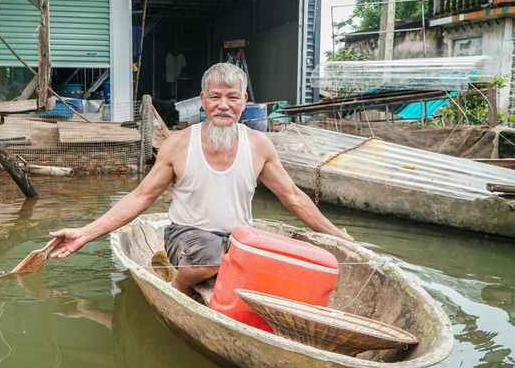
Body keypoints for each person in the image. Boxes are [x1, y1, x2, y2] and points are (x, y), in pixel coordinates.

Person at [50, 63, 353, 296]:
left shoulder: (259, 145)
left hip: (238, 240)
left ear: (244, 101)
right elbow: (140, 198)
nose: (223, 105)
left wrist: (335, 235)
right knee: (210, 259)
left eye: (232, 97)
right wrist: (86, 233)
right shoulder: (179, 144)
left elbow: (293, 197)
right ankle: (179, 289)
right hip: (186, 235)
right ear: (202, 100)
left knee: (288, 266)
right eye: (215, 97)